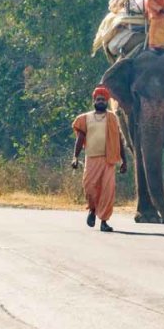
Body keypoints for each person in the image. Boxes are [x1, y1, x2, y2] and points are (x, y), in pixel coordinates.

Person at [72, 85, 127, 232]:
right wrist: (75, 157)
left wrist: (124, 161)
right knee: (90, 187)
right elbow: (79, 139)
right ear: (94, 101)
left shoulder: (112, 118)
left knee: (108, 191)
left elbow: (119, 141)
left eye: (103, 99)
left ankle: (104, 221)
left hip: (109, 159)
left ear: (107, 101)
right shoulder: (85, 118)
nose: (101, 101)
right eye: (98, 99)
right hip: (91, 159)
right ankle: (92, 209)